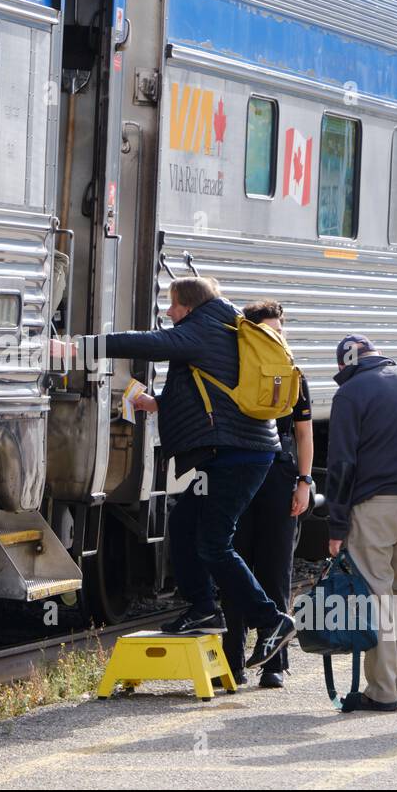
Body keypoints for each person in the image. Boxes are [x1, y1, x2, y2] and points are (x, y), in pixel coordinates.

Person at [81, 277, 296, 663]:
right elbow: (212, 393)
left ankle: (271, 620)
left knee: (214, 543)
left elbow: (150, 343)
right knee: (182, 526)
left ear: (189, 306)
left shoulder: (204, 327)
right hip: (231, 453)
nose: (168, 313)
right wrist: (157, 403)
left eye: (172, 305)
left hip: (239, 456)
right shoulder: (221, 325)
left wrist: (87, 345)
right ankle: (204, 609)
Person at [325, 334, 397, 711]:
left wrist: (336, 527)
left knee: (377, 595)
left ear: (344, 365)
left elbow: (341, 465)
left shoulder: (350, 393)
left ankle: (382, 690)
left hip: (373, 507)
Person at [222, 300, 314, 688]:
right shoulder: (234, 370)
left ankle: (275, 661)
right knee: (236, 565)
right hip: (238, 476)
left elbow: (304, 431)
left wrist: (305, 482)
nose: (277, 336)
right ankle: (233, 660)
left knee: (276, 567)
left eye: (281, 330)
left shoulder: (293, 374)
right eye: (269, 331)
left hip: (278, 477)